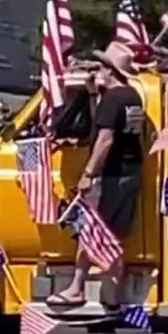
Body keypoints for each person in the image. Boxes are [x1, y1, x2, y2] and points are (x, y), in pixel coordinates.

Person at [48, 43, 146, 311]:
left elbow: (104, 139)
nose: (97, 71)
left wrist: (88, 173)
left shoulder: (113, 99)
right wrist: (92, 97)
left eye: (101, 67)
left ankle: (76, 288)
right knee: (115, 236)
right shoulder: (132, 97)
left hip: (110, 175)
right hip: (130, 173)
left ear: (111, 71)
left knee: (90, 230)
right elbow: (101, 126)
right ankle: (112, 298)